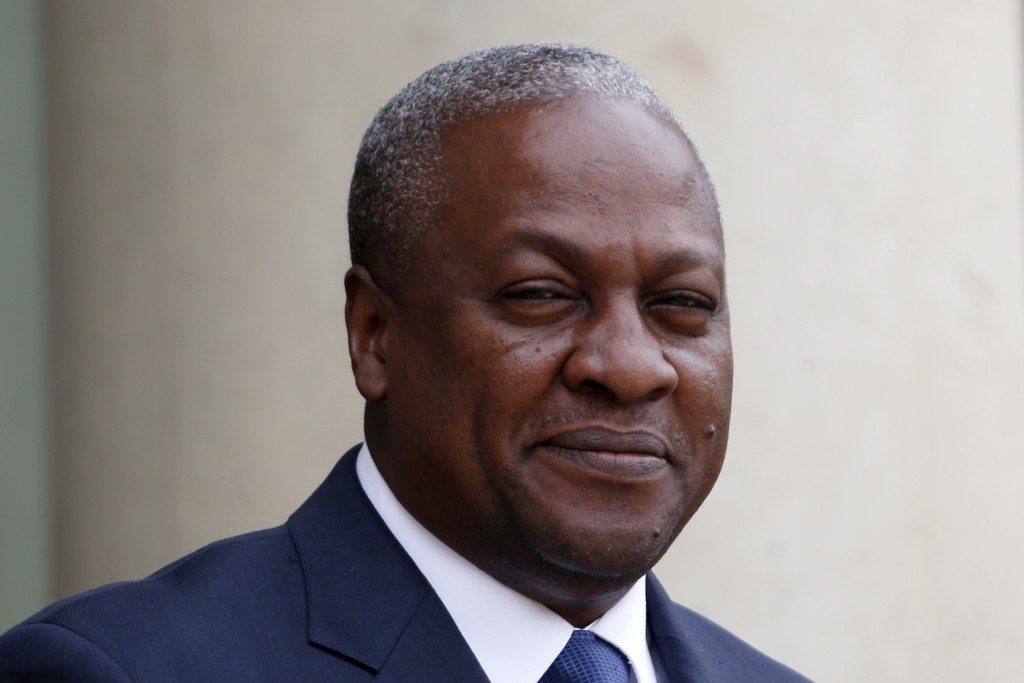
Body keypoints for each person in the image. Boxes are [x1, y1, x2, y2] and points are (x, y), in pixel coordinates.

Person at [0, 43, 807, 682]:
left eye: (682, 305)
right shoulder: (122, 669)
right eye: (541, 294)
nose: (630, 367)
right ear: (374, 332)